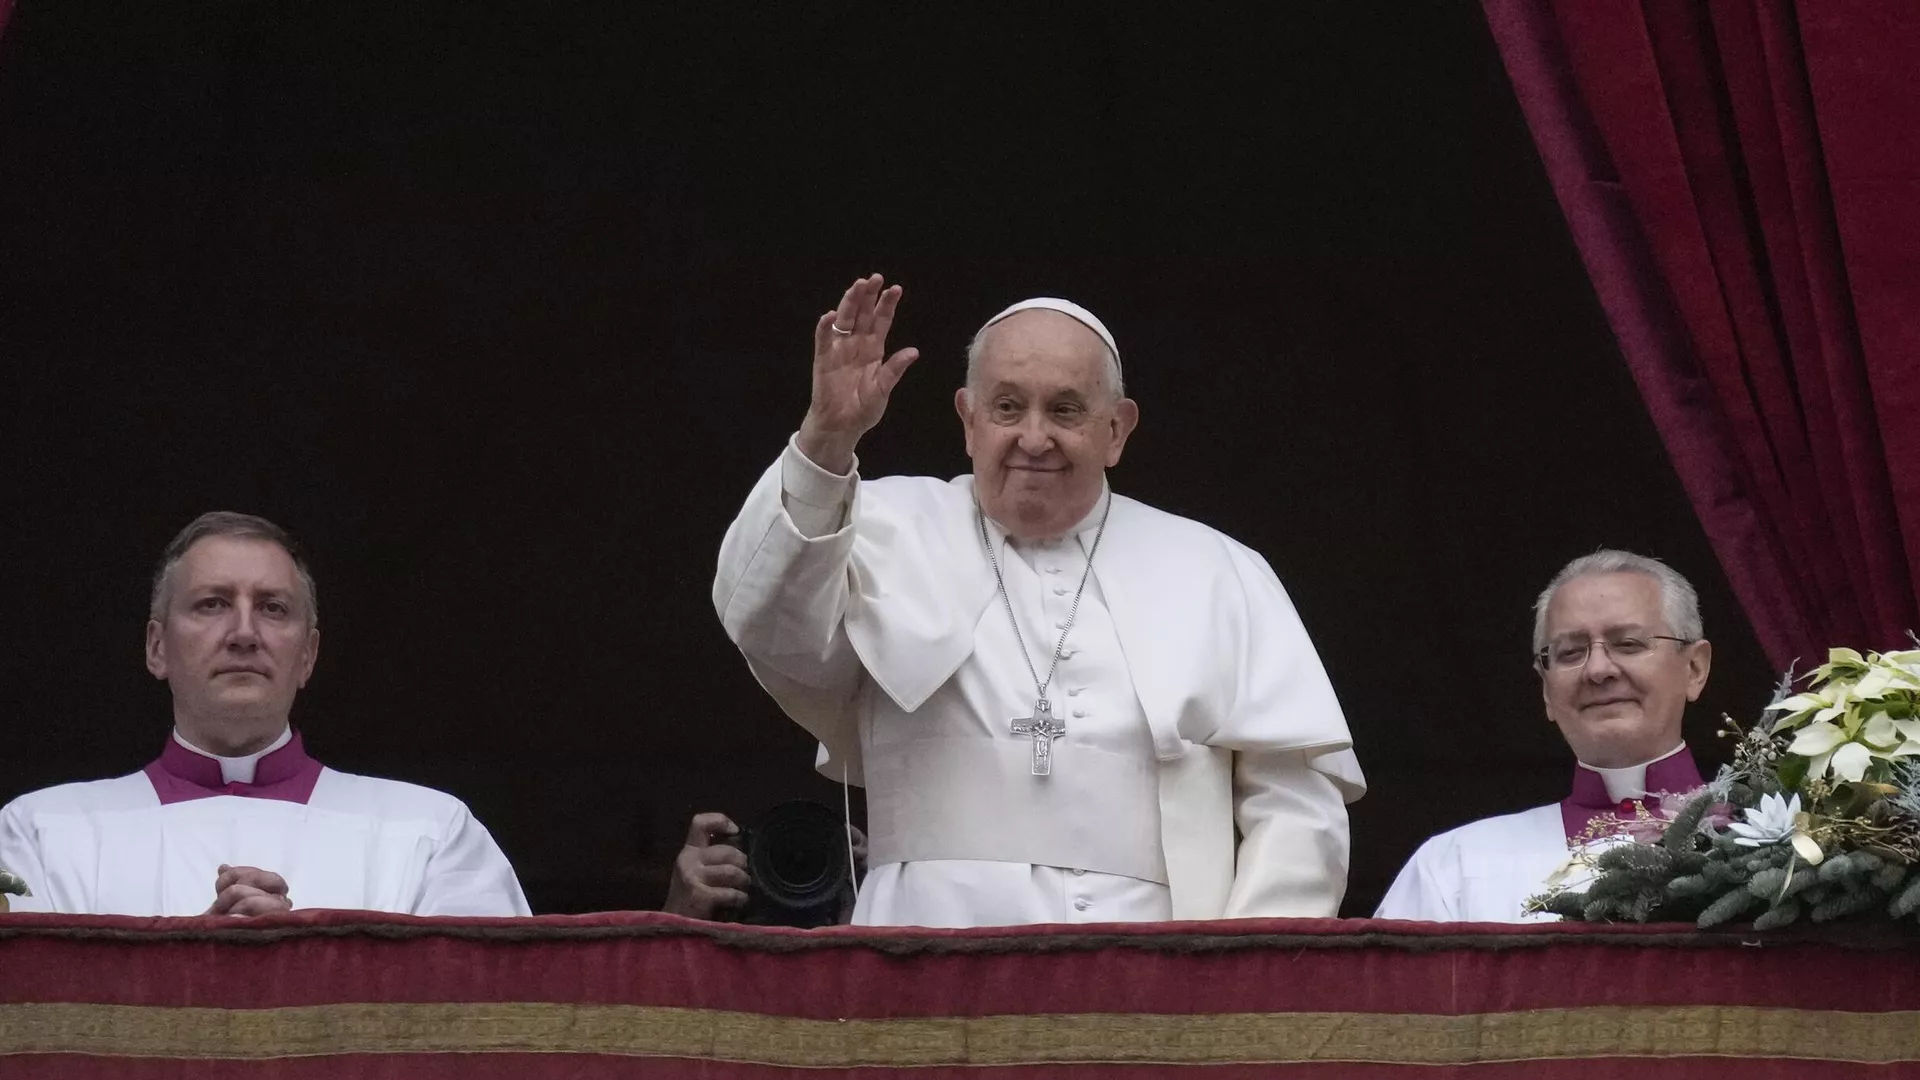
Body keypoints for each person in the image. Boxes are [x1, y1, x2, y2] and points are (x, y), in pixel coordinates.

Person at [713, 273, 1365, 927]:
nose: (1033, 437)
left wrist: (1231, 985)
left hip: (1153, 993)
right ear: (967, 420)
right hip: (922, 970)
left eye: (1066, 410)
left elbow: (1296, 812)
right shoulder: (878, 527)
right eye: (1006, 407)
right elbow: (767, 623)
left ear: (1117, 429)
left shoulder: (1219, 572)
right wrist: (826, 442)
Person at [0, 512, 530, 917]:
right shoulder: (38, 835)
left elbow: (485, 1034)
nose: (244, 634)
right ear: (156, 647)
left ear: (308, 655)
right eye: (212, 603)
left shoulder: (431, 835)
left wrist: (300, 969)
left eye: (273, 608)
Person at [1374, 550, 1714, 922]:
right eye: (1570, 653)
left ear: (1695, 668)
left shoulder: (1779, 845)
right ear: (1546, 691)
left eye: (1628, 644)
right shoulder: (1456, 865)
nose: (1598, 669)